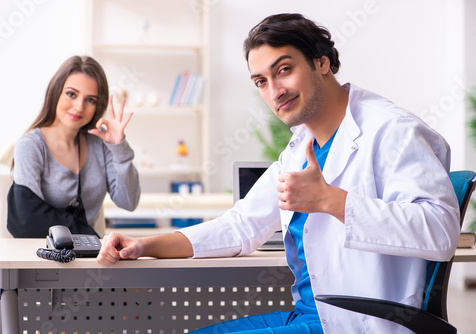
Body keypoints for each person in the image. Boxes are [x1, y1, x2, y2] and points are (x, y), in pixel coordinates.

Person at [96, 13, 460, 333]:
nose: (274, 92)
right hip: (310, 315)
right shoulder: (299, 148)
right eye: (261, 81)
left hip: (357, 323)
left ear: (322, 63)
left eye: (284, 70)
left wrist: (331, 201)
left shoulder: (392, 130)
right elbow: (241, 226)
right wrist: (144, 245)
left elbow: (442, 231)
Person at [9, 55, 140, 238]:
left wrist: (119, 147)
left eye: (90, 100)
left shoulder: (99, 145)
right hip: (43, 257)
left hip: (89, 259)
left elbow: (129, 202)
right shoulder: (31, 146)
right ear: (56, 92)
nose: (79, 107)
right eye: (71, 94)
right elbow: (28, 218)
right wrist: (90, 237)